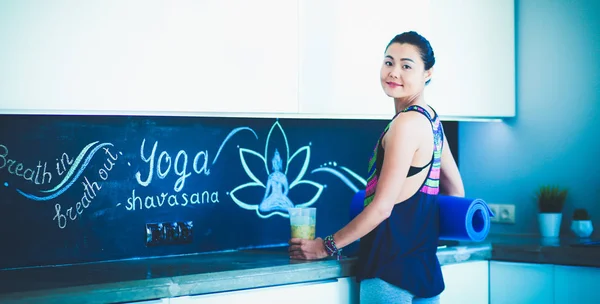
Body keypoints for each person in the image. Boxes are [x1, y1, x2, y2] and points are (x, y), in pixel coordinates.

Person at [287, 31, 465, 303]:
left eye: (407, 65)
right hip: (424, 271)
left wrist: (325, 246)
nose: (394, 72)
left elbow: (382, 208)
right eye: (388, 62)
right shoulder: (432, 122)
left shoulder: (405, 125)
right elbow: (456, 191)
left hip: (389, 270)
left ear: (427, 73)